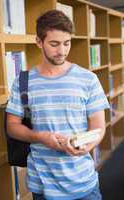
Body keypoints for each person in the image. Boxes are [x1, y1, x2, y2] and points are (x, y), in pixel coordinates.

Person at [6, 10, 109, 200]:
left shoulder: (88, 79)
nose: (62, 50)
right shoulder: (23, 82)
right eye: (54, 44)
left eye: (66, 43)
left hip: (84, 182)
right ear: (38, 41)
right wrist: (41, 137)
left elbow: (99, 127)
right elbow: (12, 127)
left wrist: (89, 144)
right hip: (43, 186)